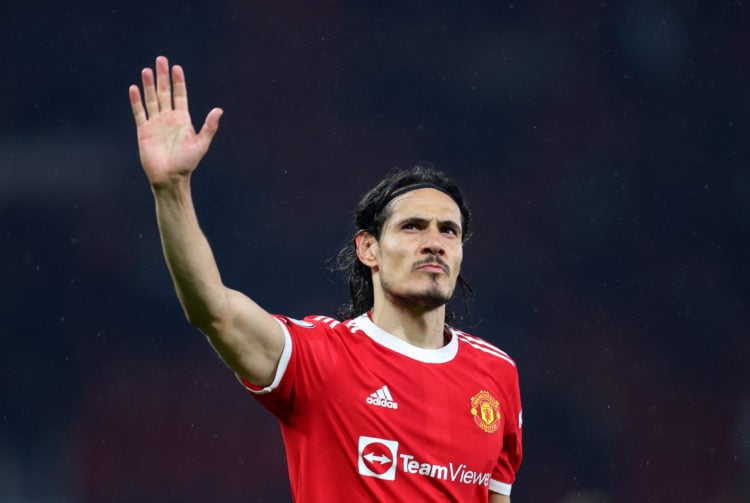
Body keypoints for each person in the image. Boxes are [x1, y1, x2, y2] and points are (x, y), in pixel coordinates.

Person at [128, 55, 523, 502]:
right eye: (412, 227)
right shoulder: (322, 359)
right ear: (368, 248)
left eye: (448, 231)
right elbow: (213, 310)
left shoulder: (497, 373)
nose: (434, 242)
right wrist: (172, 189)